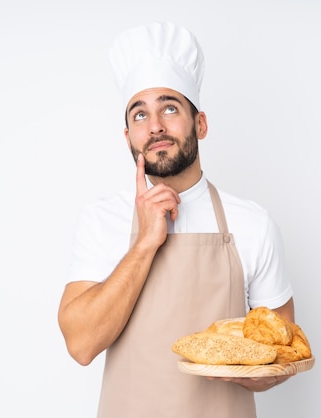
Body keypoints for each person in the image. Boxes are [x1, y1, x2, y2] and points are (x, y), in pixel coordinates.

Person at [58, 22, 297, 418]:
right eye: (140, 114)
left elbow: (285, 349)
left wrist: (240, 364)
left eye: (170, 107)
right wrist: (145, 243)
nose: (155, 126)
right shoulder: (102, 219)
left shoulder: (252, 223)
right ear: (128, 136)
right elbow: (80, 345)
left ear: (200, 123)